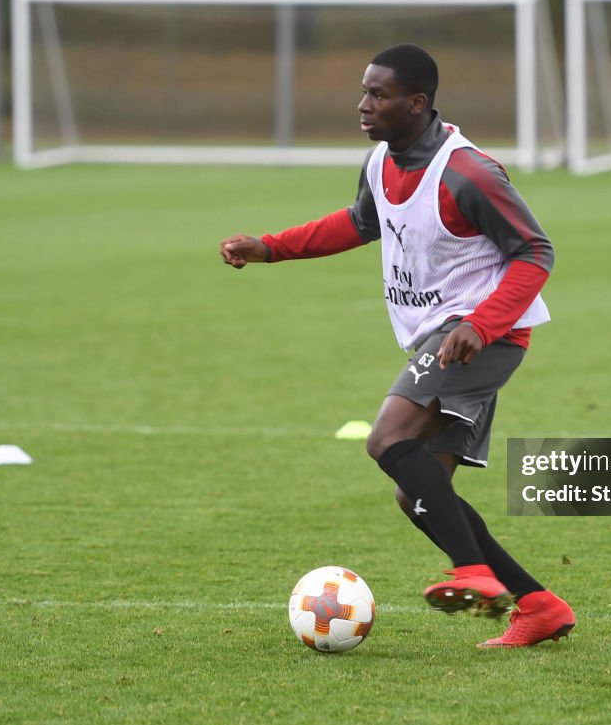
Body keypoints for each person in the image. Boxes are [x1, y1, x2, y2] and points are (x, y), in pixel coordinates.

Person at [220, 43, 574, 648]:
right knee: (419, 497)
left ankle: (474, 573)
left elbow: (535, 252)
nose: (363, 105)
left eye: (377, 95)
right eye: (363, 92)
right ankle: (540, 605)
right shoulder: (381, 161)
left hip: (482, 334)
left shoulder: (469, 173)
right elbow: (361, 222)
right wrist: (271, 246)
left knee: (386, 439)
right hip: (452, 334)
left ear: (417, 102)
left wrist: (481, 325)